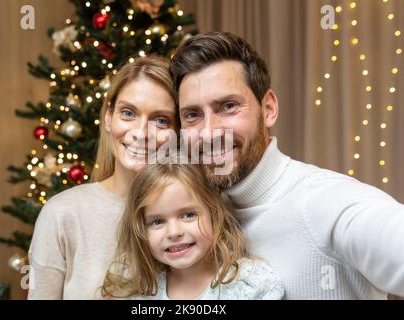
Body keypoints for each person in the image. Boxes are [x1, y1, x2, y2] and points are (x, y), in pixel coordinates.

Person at [169, 31, 404, 299]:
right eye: (192, 115)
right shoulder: (192, 217)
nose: (209, 134)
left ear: (268, 109)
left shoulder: (329, 203)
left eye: (228, 106)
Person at [28, 56, 178, 299]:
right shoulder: (62, 214)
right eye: (128, 113)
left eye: (161, 120)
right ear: (109, 117)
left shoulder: (192, 217)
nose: (141, 133)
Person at [102, 164, 284, 300]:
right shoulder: (138, 290)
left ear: (214, 215)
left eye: (188, 215)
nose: (173, 232)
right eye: (157, 221)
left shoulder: (251, 286)